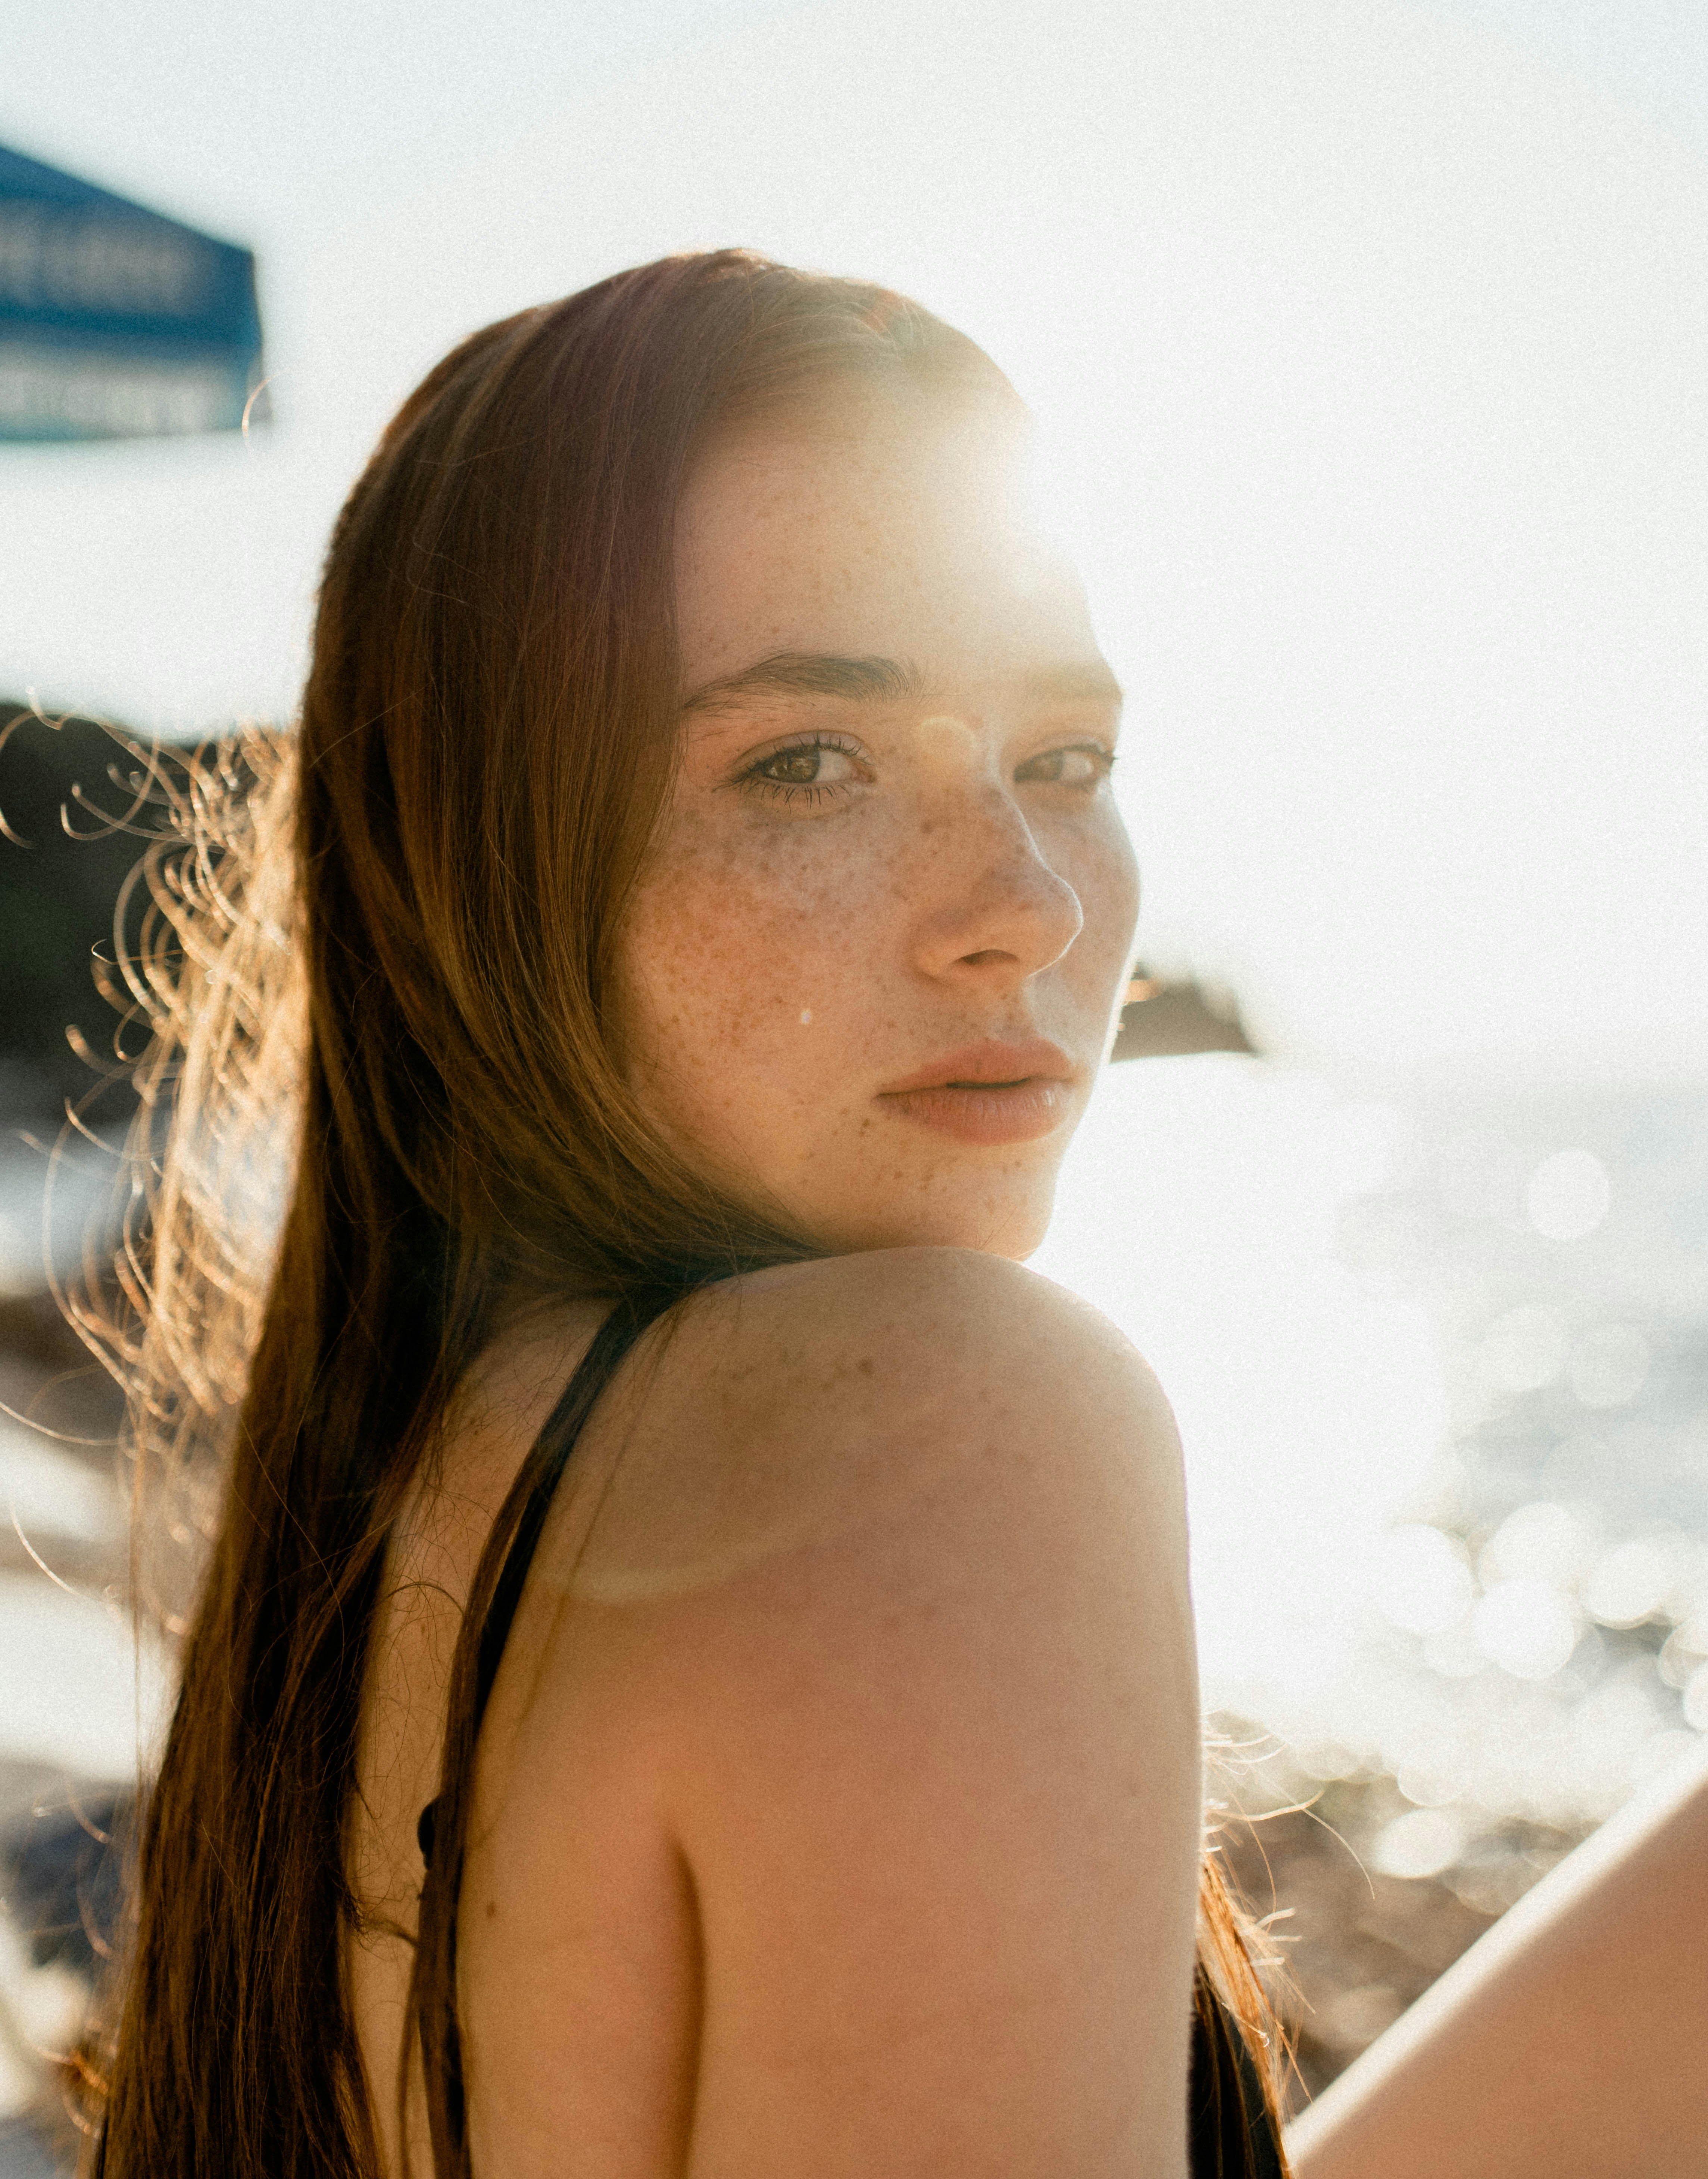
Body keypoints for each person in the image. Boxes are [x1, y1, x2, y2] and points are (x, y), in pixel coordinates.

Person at [83, 252, 1288, 2178]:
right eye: (804, 763)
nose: (1032, 906)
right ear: (479, 862)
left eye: (1066, 761)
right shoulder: (946, 1430)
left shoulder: (411, 1477)